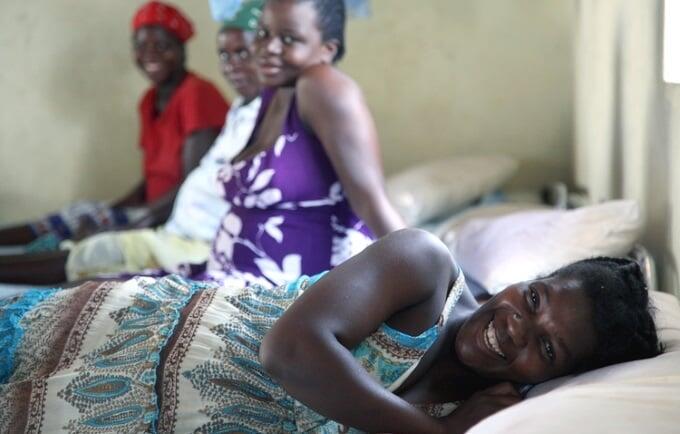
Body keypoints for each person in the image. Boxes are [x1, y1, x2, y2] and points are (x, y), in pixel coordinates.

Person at [0, 229, 662, 433]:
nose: (517, 326)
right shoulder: (426, 270)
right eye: (536, 297)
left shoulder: (483, 411)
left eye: (547, 347)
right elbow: (290, 352)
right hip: (119, 339)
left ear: (554, 378)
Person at [0, 2, 264, 285]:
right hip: (166, 216)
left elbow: (190, 179)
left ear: (181, 49)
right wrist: (112, 209)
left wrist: (135, 220)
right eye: (142, 46)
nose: (150, 53)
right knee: (84, 216)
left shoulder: (196, 94)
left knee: (88, 240)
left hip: (170, 217)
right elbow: (150, 177)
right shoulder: (151, 101)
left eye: (161, 45)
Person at [196, 0, 405, 286]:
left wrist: (452, 296)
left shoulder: (322, 86)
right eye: (262, 34)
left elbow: (373, 204)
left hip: (289, 294)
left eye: (289, 38)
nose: (268, 47)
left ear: (326, 50)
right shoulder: (276, 93)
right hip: (227, 278)